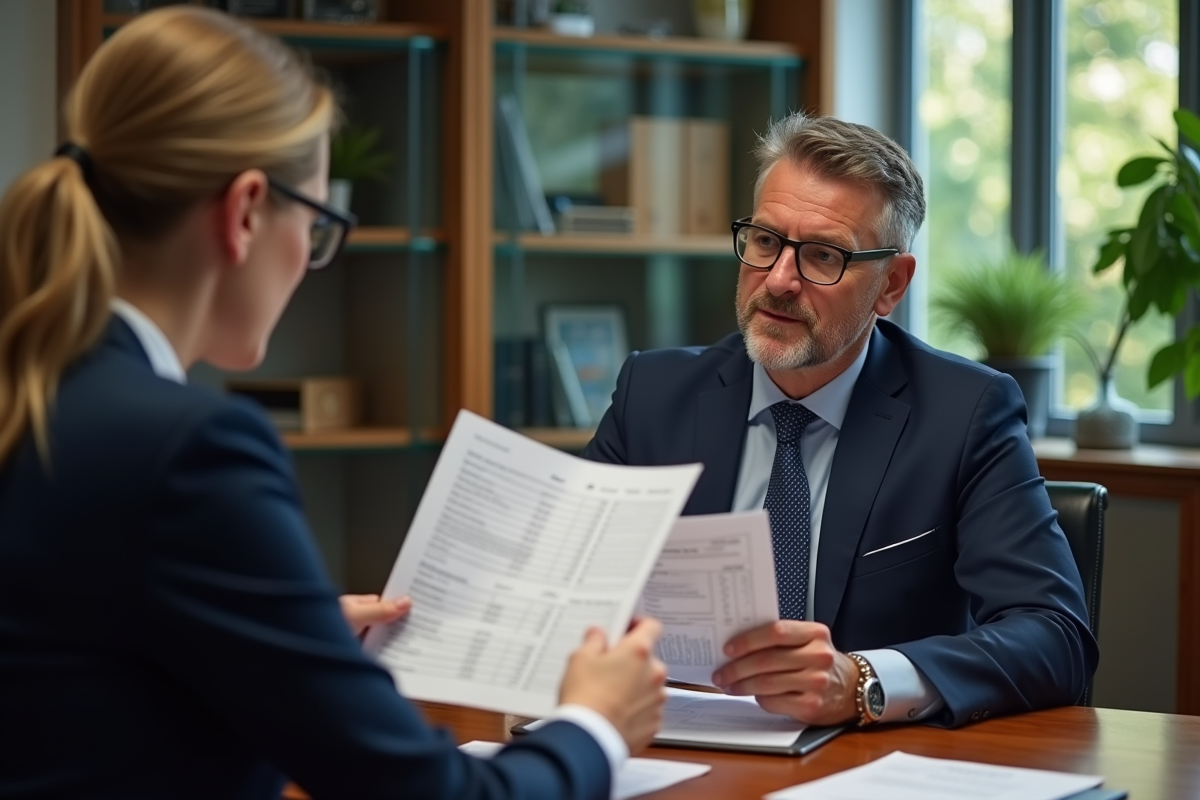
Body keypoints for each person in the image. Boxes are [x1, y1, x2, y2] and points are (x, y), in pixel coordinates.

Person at [0, 8, 665, 799]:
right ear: (246, 211)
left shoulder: (40, 396)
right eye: (316, 226)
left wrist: (288, 637)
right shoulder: (191, 449)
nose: (312, 264)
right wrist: (593, 724)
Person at [584, 112, 1098, 730]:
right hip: (668, 751)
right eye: (766, 241)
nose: (778, 281)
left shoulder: (964, 414)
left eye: (823, 256)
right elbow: (569, 580)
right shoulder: (653, 393)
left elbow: (1055, 637)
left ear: (891, 285)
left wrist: (863, 681)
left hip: (864, 766)